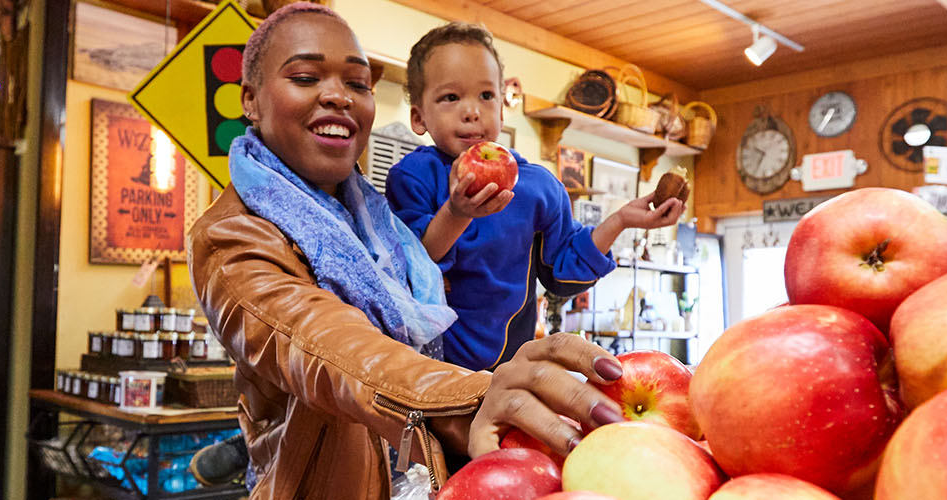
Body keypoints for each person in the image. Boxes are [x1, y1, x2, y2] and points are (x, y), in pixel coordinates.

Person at [189, 4, 624, 498]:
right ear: (250, 99)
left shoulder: (374, 219)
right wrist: (469, 392)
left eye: (357, 84)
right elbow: (323, 346)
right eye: (306, 77)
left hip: (416, 467)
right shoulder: (232, 236)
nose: (337, 95)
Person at [385, 22, 686, 371]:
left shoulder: (538, 187)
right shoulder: (412, 176)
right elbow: (411, 267)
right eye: (451, 97)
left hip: (511, 368)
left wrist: (620, 220)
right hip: (432, 368)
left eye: (486, 96)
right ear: (419, 117)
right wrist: (456, 211)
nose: (472, 111)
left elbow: (563, 275)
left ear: (501, 107)